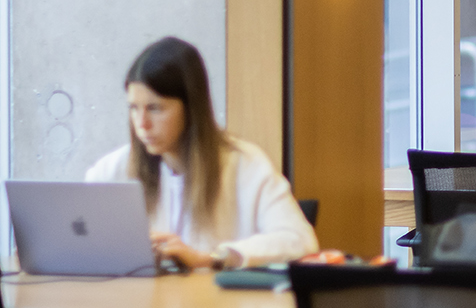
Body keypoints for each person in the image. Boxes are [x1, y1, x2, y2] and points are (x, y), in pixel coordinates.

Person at [86, 36, 317, 270]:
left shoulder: (245, 163)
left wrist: (211, 258)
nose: (141, 124)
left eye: (155, 108)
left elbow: (300, 240)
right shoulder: (115, 167)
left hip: (216, 305)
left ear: (191, 108)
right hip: (141, 303)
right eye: (134, 108)